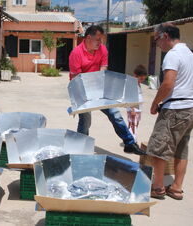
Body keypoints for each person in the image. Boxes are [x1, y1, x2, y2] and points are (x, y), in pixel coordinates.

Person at [69, 25, 145, 155]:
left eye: (102, 39)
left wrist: (98, 86)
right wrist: (89, 93)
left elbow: (103, 69)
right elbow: (77, 79)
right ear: (88, 38)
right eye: (98, 39)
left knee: (115, 114)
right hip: (81, 90)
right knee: (85, 120)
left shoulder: (102, 49)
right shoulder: (76, 53)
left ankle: (129, 143)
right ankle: (80, 148)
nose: (100, 42)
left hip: (99, 88)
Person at [147, 23, 193, 200]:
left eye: (157, 39)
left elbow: (168, 83)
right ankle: (176, 188)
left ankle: (158, 187)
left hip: (175, 109)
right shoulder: (189, 53)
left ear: (165, 36)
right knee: (181, 149)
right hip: (189, 108)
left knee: (158, 148)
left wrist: (155, 103)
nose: (157, 43)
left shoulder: (172, 55)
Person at [126, 65, 148, 141]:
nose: (142, 80)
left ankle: (131, 139)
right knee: (132, 125)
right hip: (133, 109)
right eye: (141, 78)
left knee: (135, 125)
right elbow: (128, 97)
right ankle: (131, 141)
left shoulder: (138, 83)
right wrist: (132, 109)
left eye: (144, 78)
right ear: (135, 75)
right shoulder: (132, 84)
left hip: (138, 109)